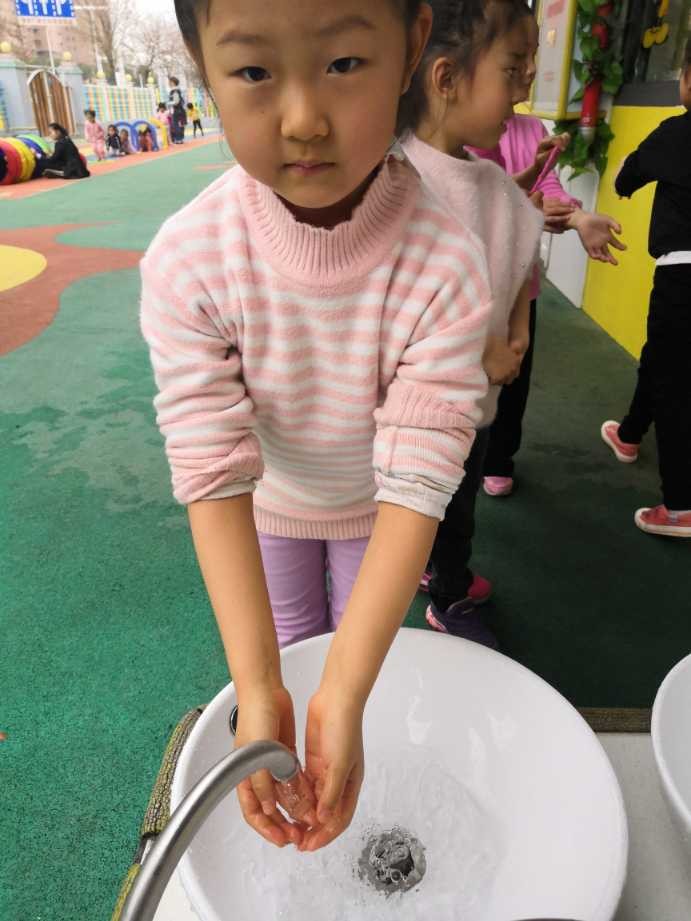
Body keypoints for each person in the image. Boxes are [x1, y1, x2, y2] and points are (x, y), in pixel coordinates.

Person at [141, 0, 492, 855]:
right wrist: (258, 682)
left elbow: (419, 477)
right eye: (254, 71)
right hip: (269, 507)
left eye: (342, 64)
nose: (302, 120)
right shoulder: (189, 259)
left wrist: (345, 690)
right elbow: (212, 465)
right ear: (200, 62)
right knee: (290, 658)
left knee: (356, 670)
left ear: (411, 45)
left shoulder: (446, 264)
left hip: (381, 513)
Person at [399, 0, 543, 644]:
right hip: (418, 410)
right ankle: (448, 594)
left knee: (459, 500)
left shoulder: (489, 181)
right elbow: (400, 300)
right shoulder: (398, 180)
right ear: (447, 77)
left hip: (477, 402)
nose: (523, 89)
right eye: (512, 69)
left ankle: (443, 571)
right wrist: (481, 348)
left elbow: (522, 246)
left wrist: (517, 327)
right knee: (427, 501)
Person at [472, 10, 626, 498]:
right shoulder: (460, 138)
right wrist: (527, 201)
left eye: (534, 56)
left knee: (513, 376)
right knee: (465, 381)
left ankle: (499, 458)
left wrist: (579, 219)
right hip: (470, 291)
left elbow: (546, 192)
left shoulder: (530, 129)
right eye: (517, 59)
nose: (533, 69)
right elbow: (485, 200)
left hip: (521, 286)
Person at [600, 39, 691, 538]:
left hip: (682, 277)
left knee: (675, 385)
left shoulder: (675, 132)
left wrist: (627, 174)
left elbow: (624, 180)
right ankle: (630, 433)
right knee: (661, 359)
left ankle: (679, 506)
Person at [168, 76, 186, 143]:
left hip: (176, 110)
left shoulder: (174, 91)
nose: (169, 84)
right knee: (180, 124)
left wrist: (168, 103)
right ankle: (180, 139)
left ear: (173, 83)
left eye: (170, 82)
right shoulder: (178, 90)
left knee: (176, 125)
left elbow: (176, 102)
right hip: (180, 110)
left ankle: (178, 139)